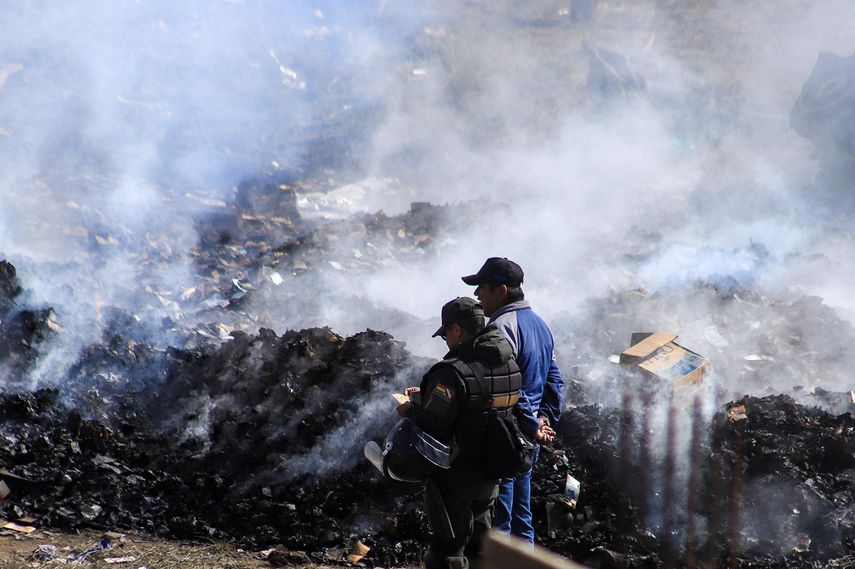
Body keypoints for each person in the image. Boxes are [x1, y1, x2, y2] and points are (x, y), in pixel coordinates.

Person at [398, 297, 523, 569]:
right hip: (491, 476)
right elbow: (485, 405)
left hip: (455, 478)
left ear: (457, 329)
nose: (446, 341)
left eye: (446, 334)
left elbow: (432, 425)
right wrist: (429, 395)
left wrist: (409, 410)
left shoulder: (452, 372)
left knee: (447, 553)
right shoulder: (509, 364)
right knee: (480, 550)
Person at [461, 257, 564, 544]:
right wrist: (545, 418)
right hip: (530, 436)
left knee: (502, 523)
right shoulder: (541, 325)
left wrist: (532, 423)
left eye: (482, 287)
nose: (477, 294)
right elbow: (555, 379)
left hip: (507, 435)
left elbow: (507, 384)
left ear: (501, 290)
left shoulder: (501, 327)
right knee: (522, 519)